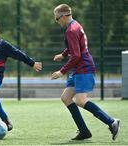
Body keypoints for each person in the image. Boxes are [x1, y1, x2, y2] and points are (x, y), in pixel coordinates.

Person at [52, 4, 120, 140]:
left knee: (80, 100)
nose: (57, 22)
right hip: (78, 68)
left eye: (57, 19)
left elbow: (76, 55)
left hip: (83, 67)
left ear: (64, 16)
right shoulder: (75, 25)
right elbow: (74, 47)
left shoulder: (71, 30)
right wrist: (64, 54)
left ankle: (111, 122)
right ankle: (84, 131)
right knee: (66, 98)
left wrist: (62, 71)